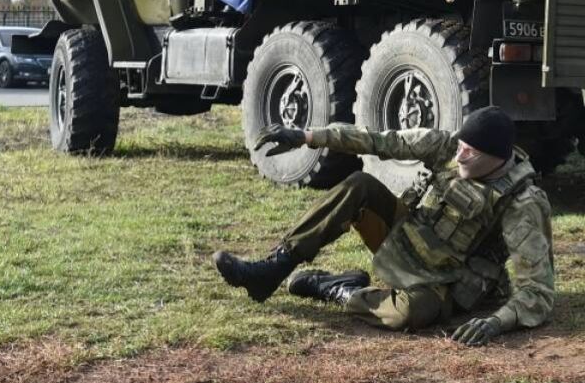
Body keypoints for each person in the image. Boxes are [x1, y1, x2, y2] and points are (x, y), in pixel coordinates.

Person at [211, 106, 554, 347]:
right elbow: (377, 140)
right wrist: (306, 136)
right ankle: (272, 269)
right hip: (408, 236)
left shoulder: (522, 202)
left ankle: (338, 289)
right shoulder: (448, 145)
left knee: (408, 314)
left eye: (470, 152)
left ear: (497, 158)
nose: (460, 156)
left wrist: (497, 322)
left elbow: (537, 291)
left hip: (446, 279)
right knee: (360, 184)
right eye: (461, 147)